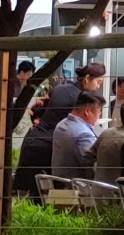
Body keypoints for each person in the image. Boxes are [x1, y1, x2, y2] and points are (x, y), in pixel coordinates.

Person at [18, 61, 106, 200]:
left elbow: (40, 111)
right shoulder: (80, 99)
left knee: (27, 196)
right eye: (98, 82)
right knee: (41, 197)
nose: (97, 87)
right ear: (87, 79)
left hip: (33, 139)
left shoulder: (60, 88)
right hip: (47, 147)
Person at [50, 90, 104, 180]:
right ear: (87, 111)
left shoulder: (61, 124)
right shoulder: (84, 134)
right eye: (99, 112)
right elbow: (95, 168)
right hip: (77, 185)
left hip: (59, 182)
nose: (99, 117)